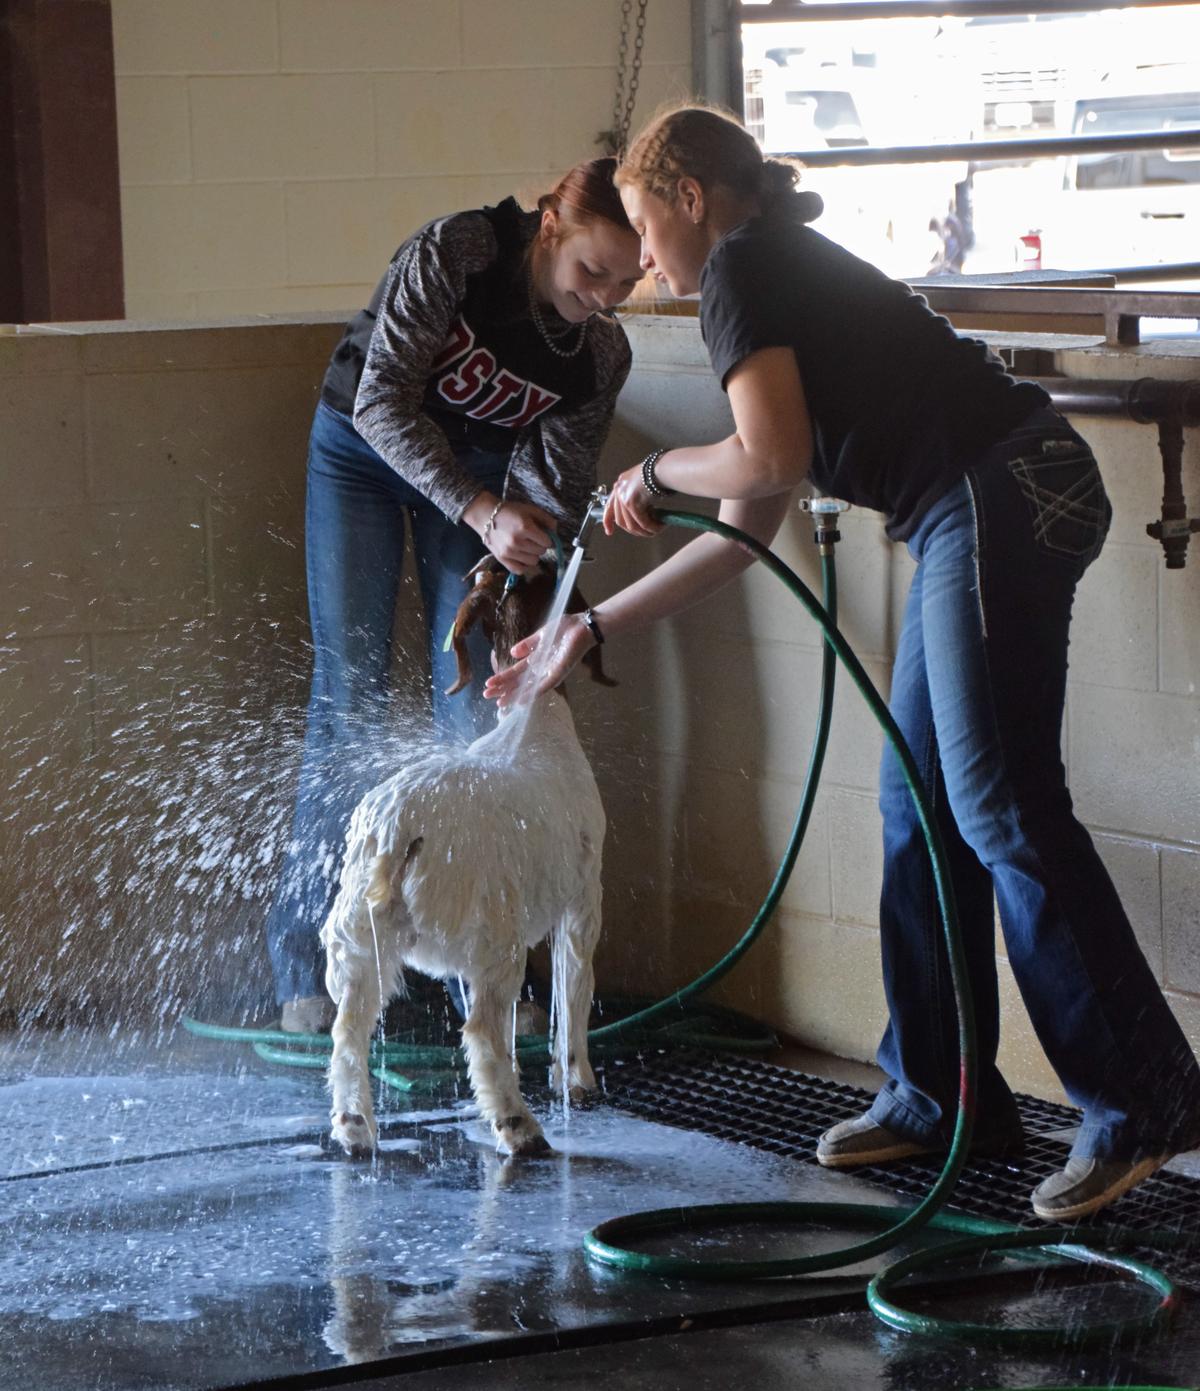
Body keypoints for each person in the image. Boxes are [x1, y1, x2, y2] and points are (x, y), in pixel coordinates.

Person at [485, 105, 1200, 1222]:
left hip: (998, 490)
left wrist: (659, 469)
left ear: (685, 196)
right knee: (920, 804)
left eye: (641, 222)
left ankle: (1143, 1098)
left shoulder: (742, 269)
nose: (648, 265)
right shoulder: (762, 266)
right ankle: (940, 1090)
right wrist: (591, 627)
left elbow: (761, 456)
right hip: (991, 497)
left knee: (1002, 801)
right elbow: (747, 526)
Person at [267, 159, 644, 1036]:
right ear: (551, 227)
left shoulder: (602, 352)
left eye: (629, 282)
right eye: (594, 271)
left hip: (479, 485)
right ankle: (309, 960)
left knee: (476, 708)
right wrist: (480, 510)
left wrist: (516, 550)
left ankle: (464, 957)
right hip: (360, 454)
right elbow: (382, 403)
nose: (606, 296)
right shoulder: (462, 251)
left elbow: (554, 485)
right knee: (350, 694)